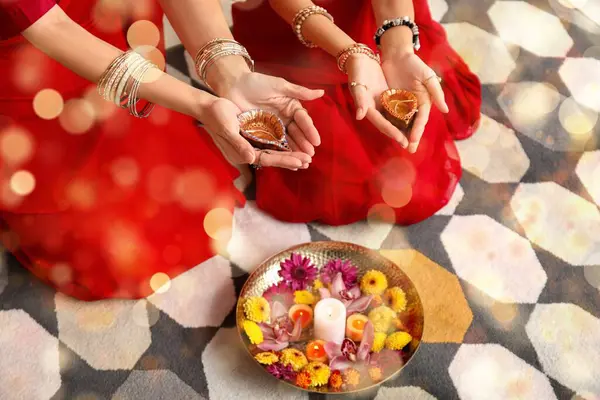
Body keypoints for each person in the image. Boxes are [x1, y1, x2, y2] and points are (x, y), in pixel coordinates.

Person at [0, 0, 321, 300]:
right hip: (33, 62)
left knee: (192, 208)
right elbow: (51, 27)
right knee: (112, 264)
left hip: (117, 19)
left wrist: (232, 75)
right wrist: (202, 104)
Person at [226, 0, 481, 225]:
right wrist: (352, 55)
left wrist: (399, 49)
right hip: (297, 26)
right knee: (329, 164)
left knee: (413, 160)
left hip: (380, 16)